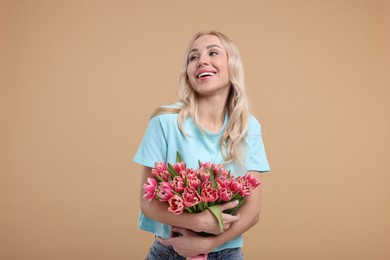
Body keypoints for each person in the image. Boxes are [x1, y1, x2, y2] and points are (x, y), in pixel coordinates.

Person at [133, 31, 270, 259]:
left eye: (213, 53)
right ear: (188, 73)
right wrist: (199, 221)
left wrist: (208, 244)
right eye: (193, 57)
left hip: (227, 253)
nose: (202, 61)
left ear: (232, 65)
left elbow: (252, 211)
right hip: (170, 252)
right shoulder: (164, 122)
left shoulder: (247, 126)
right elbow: (147, 203)